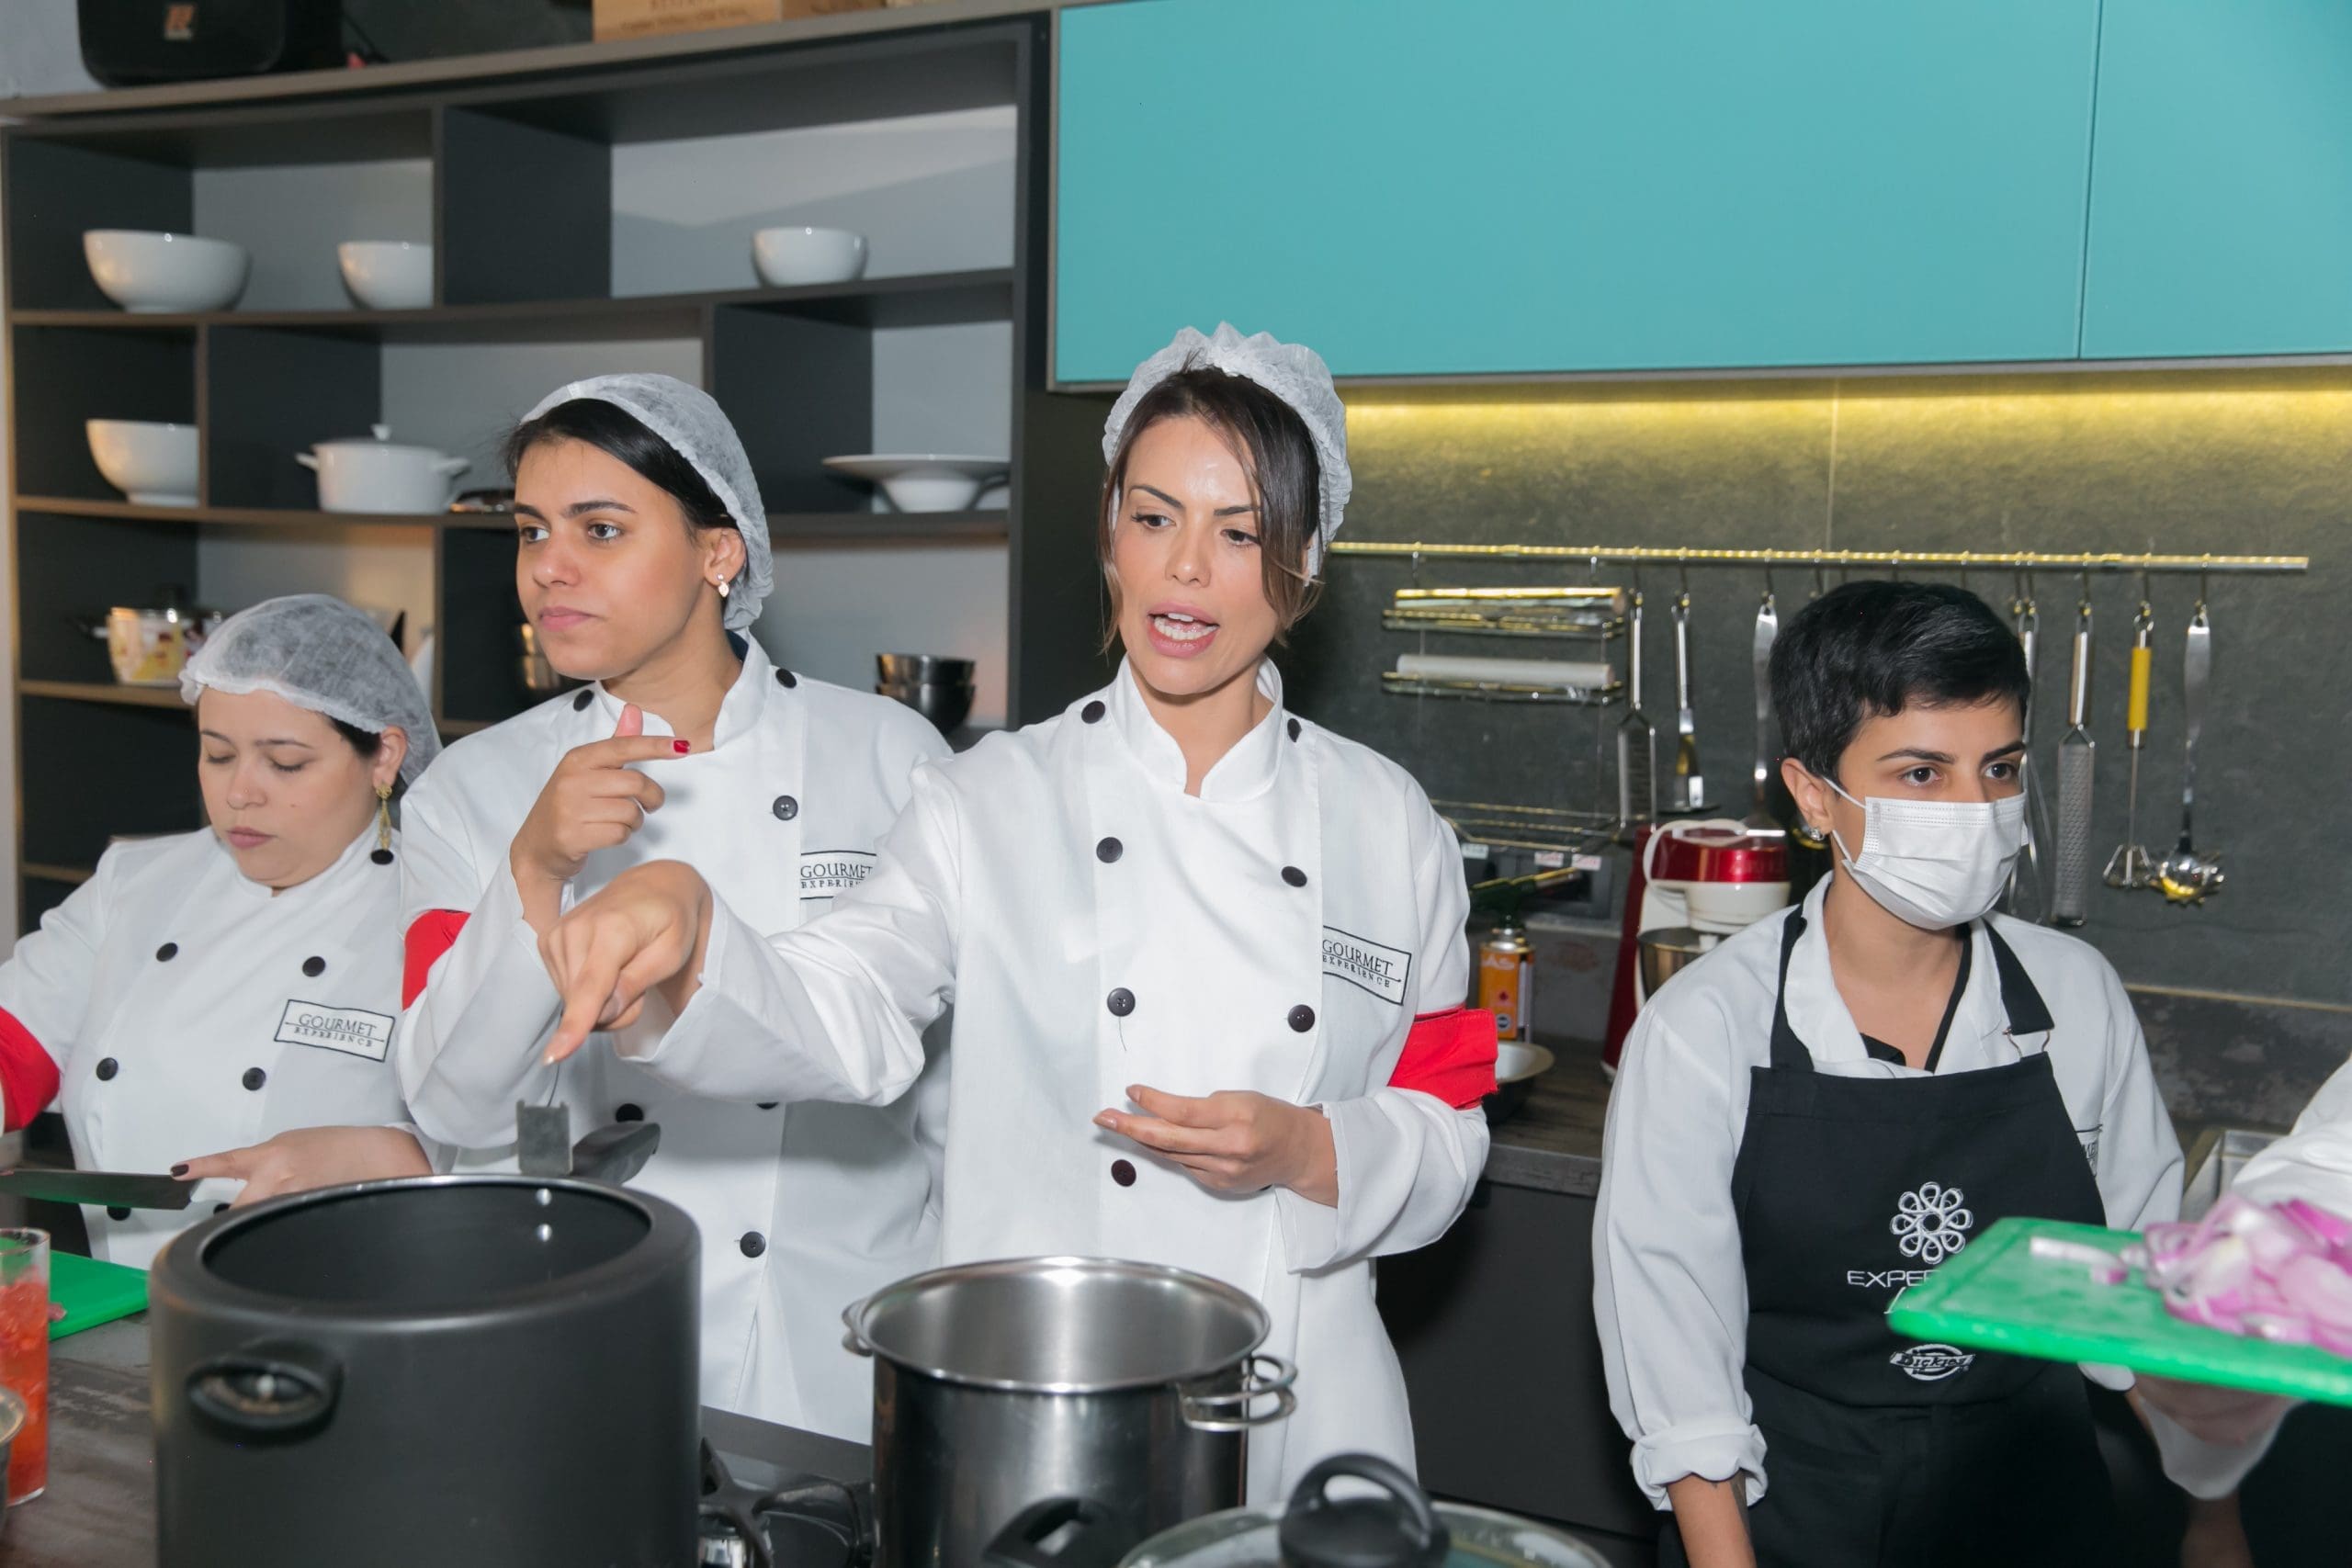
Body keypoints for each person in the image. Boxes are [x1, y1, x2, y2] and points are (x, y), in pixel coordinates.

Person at [526, 324, 1500, 1498]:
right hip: (1049, 1407)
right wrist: (693, 942)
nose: (1186, 569)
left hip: (1302, 1409)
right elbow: (849, 999)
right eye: (1153, 518)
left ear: (1304, 560)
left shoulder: (1390, 823)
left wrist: (1309, 1148)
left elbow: (1448, 1118)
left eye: (1239, 533)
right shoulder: (988, 798)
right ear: (1110, 534)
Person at [391, 373, 949, 1440]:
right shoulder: (475, 788)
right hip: (581, 1322)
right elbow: (452, 1110)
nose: (548, 567)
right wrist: (534, 870)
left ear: (718, 552)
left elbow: (951, 1090)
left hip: (840, 1330)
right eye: (532, 530)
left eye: (600, 530)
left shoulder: (888, 755)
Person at [1594, 580, 2187, 1568]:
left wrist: (2215, 1522)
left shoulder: (2075, 998)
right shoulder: (1706, 1029)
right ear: (1813, 793)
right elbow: (1675, 1349)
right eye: (1921, 773)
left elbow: (2141, 1305)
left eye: (1999, 769)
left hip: (2034, 1499)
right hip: (1792, 1504)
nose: (1976, 811)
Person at [0, 594, 439, 1266]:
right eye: (217, 754)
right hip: (133, 1301)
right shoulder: (134, 883)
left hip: (345, 1308)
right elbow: (15, 1050)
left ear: (384, 757)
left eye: (284, 762)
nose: (239, 793)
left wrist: (390, 1154)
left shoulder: (438, 911)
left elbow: (513, 1143)